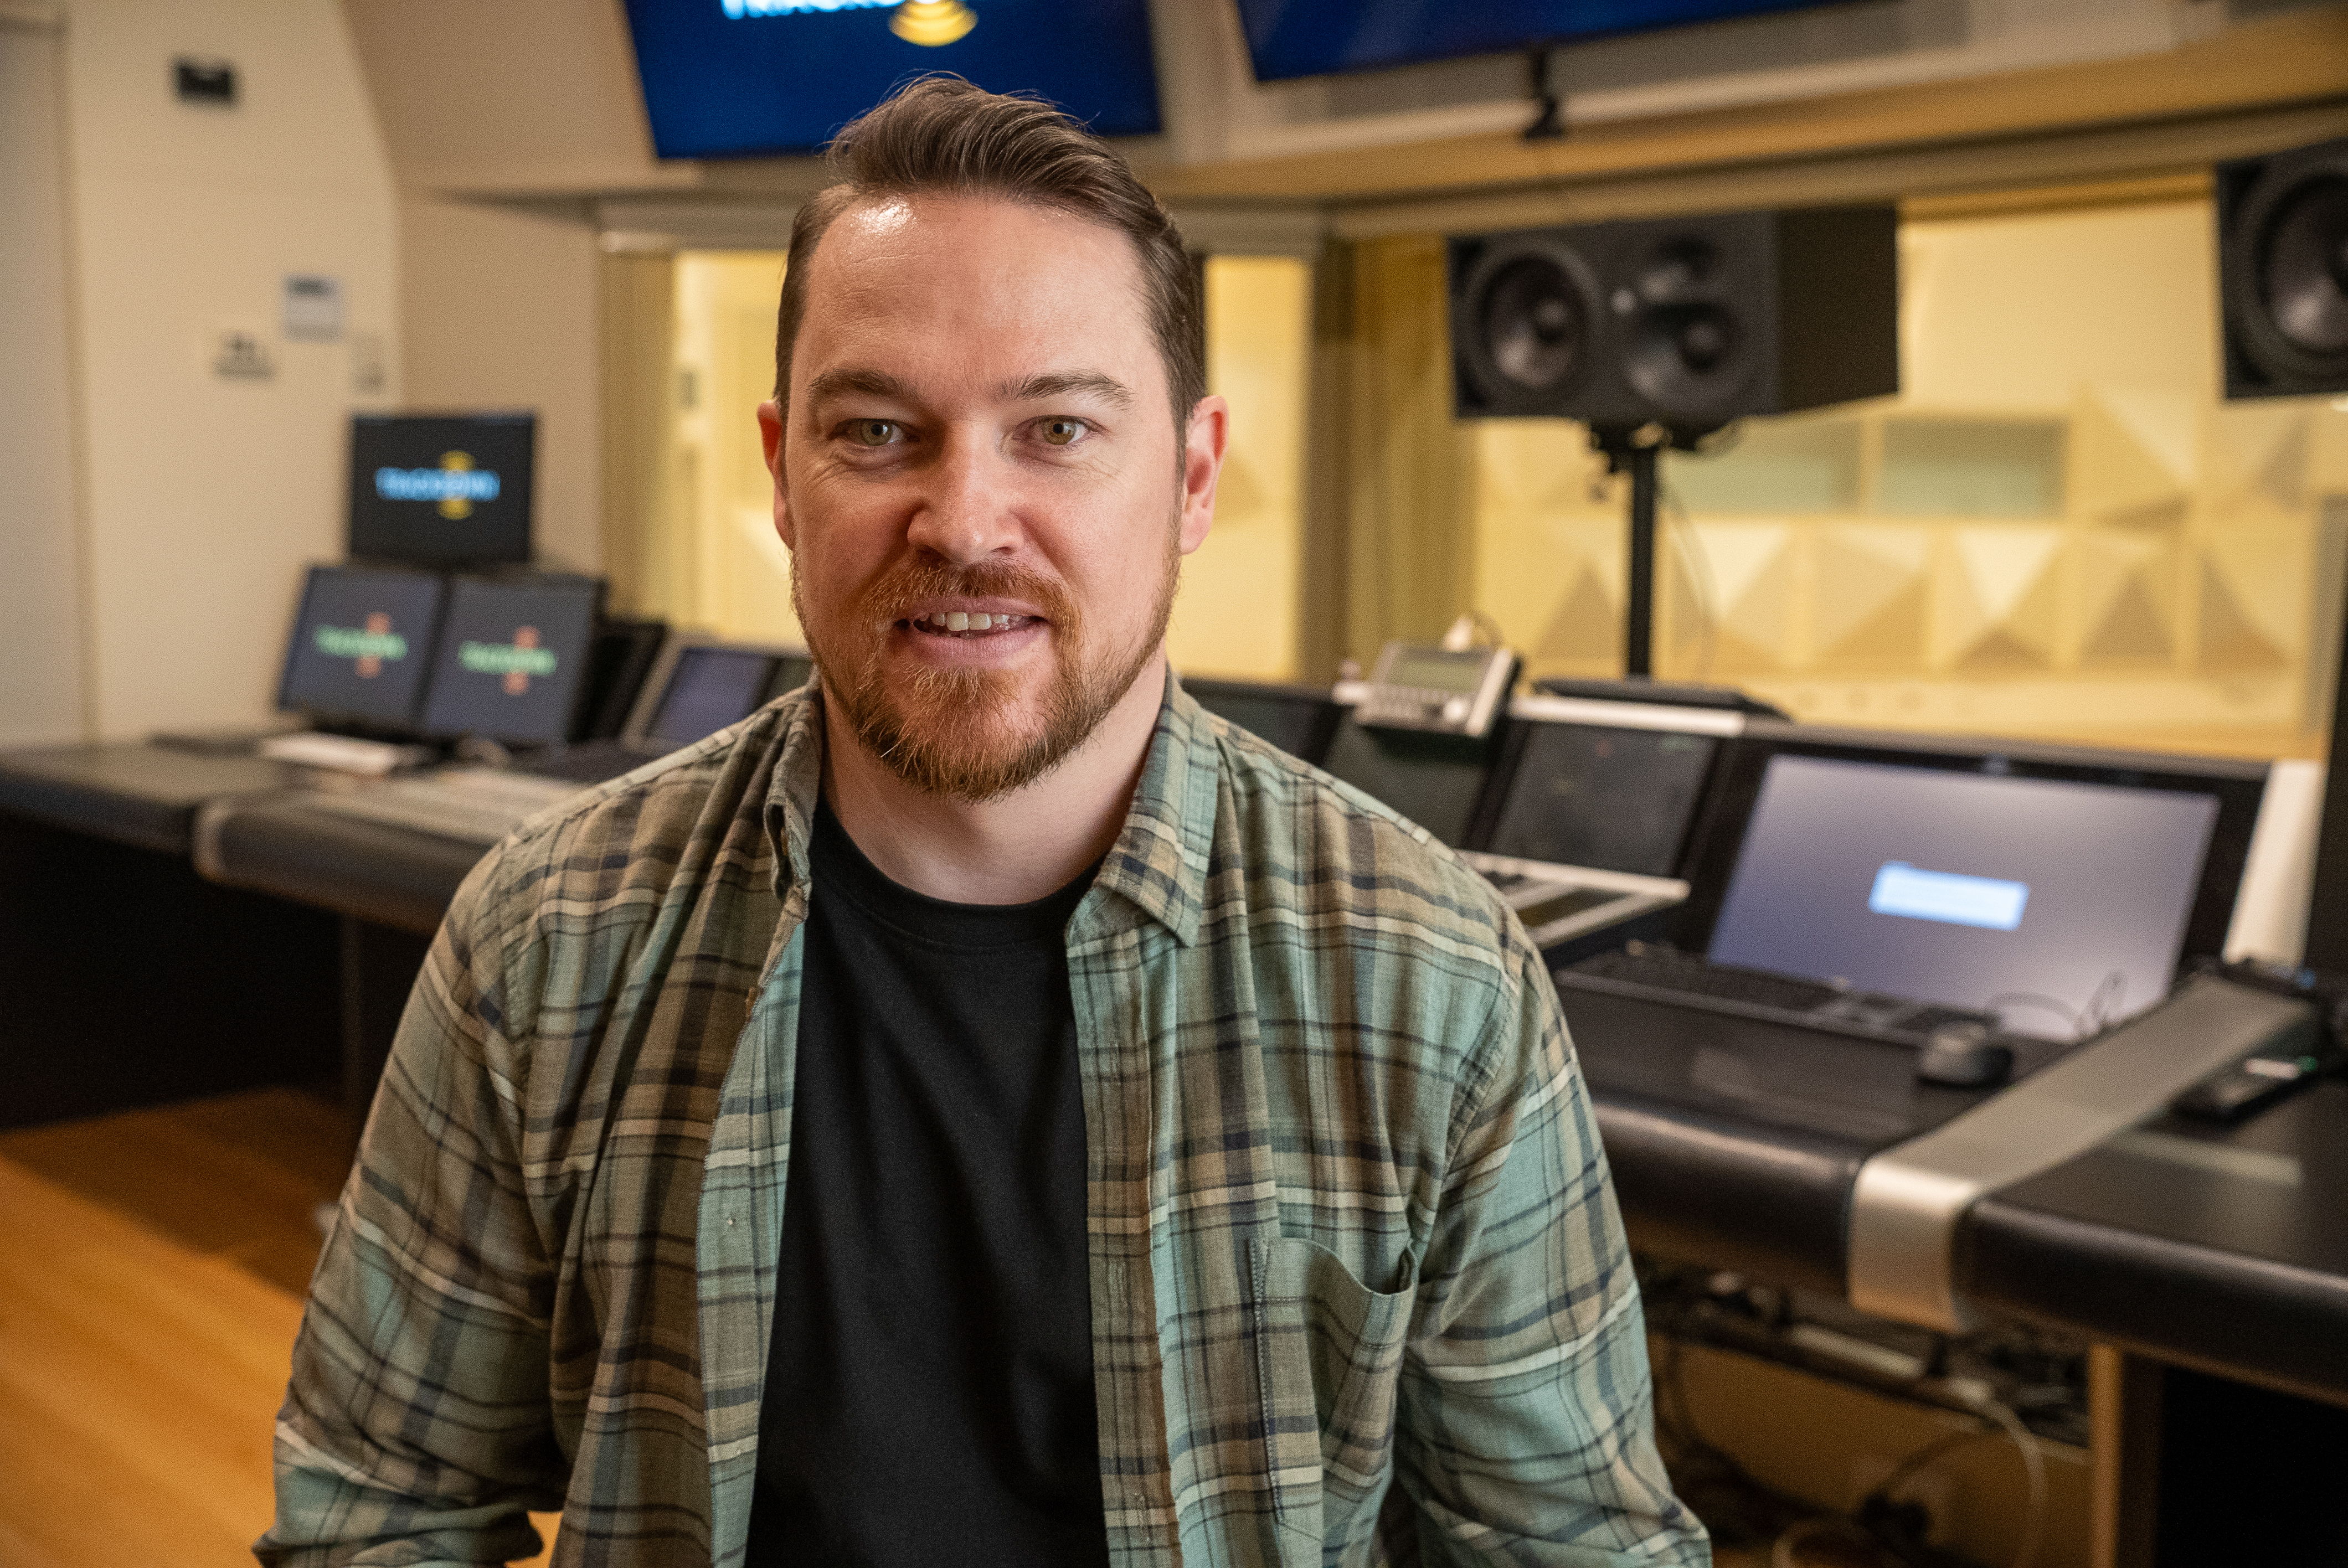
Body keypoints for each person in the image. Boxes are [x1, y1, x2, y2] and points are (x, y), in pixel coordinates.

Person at [260, 78, 1708, 1568]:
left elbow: (1574, 1553)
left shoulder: (1433, 980)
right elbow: (381, 1512)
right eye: (880, 431)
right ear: (781, 471)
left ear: (1194, 477)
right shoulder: (546, 940)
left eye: (1060, 428)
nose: (963, 521)